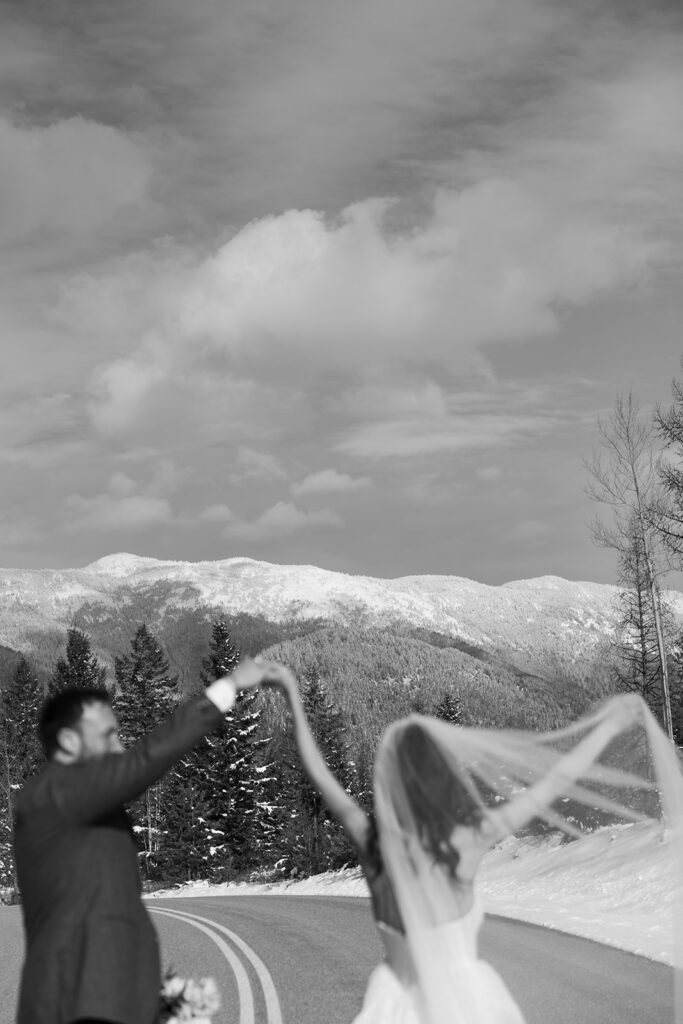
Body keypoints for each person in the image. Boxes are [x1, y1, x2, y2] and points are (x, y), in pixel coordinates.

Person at [265, 668, 683, 1024]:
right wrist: (608, 727)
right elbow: (553, 782)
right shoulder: (468, 842)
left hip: (396, 1007)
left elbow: (319, 774)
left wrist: (291, 696)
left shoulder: (374, 847)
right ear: (444, 780)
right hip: (471, 1006)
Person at [13, 657, 281, 1024]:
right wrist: (230, 687)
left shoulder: (87, 806)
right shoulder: (50, 794)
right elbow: (142, 762)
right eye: (108, 736)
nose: (119, 747)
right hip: (75, 1005)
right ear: (69, 740)